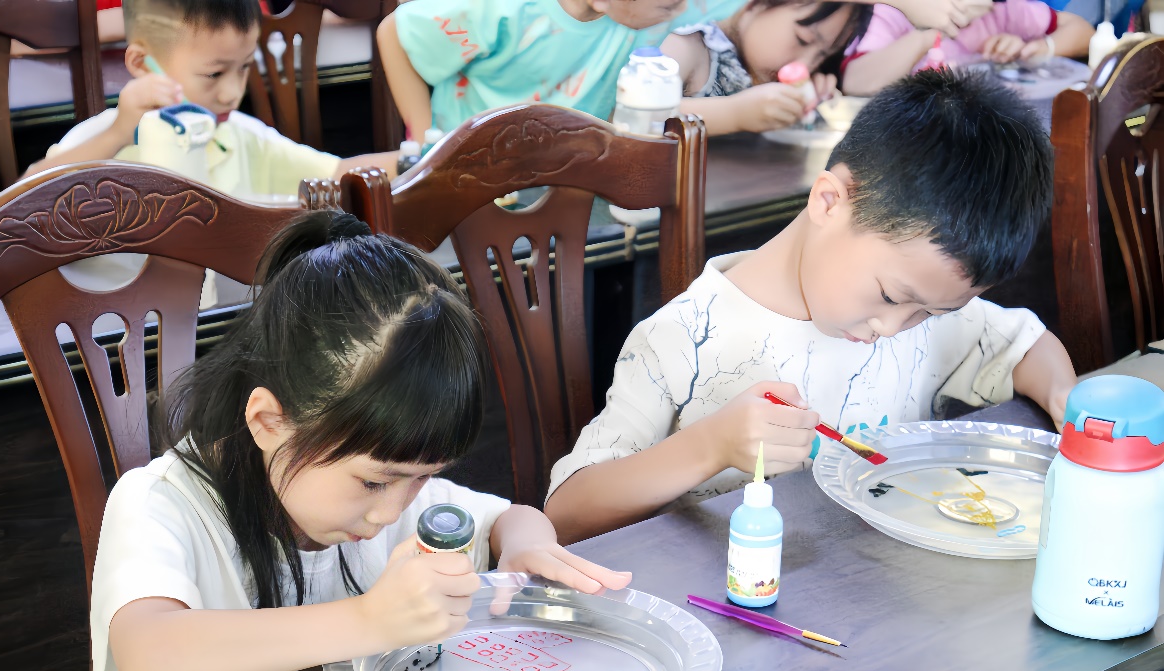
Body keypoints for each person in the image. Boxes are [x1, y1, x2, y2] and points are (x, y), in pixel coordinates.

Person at [91, 211, 632, 671]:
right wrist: (369, 620)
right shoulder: (159, 504)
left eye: (423, 479)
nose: (391, 513)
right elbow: (150, 655)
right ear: (268, 423)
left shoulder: (391, 492)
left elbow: (506, 520)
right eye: (373, 483)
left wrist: (526, 544)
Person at [544, 70, 1077, 544]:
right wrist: (708, 447)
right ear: (828, 201)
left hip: (867, 593)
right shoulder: (682, 338)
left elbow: (1024, 345)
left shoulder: (927, 312)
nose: (894, 327)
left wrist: (1068, 401)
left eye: (930, 313)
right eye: (891, 296)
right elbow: (565, 515)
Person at [377, 0, 998, 141]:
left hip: (549, 180)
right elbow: (395, 35)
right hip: (463, 167)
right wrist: (425, 137)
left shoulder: (648, 17)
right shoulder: (504, 9)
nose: (685, 12)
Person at [25, 0, 395, 195]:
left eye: (244, 68)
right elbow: (25, 195)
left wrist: (416, 158)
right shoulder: (108, 137)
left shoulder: (242, 136)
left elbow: (337, 174)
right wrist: (118, 133)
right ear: (141, 63)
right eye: (213, 74)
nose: (233, 94)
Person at [660, 1, 874, 135]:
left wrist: (808, 103)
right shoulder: (689, 45)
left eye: (822, 55)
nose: (805, 65)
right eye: (803, 40)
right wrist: (734, 113)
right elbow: (645, 114)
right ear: (755, 4)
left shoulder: (762, 71)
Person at [842, 1, 1094, 95]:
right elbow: (855, 81)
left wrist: (1036, 48)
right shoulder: (892, 12)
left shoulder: (1002, 11)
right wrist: (930, 32)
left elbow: (1085, 33)